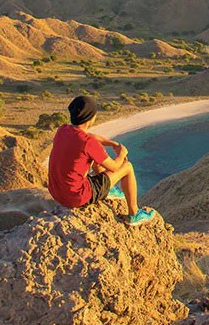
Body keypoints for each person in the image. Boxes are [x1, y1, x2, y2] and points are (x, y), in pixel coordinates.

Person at [47, 95, 157, 226]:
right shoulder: (88, 143)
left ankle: (107, 189)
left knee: (90, 158)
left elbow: (90, 136)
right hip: (76, 197)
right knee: (127, 167)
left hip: (57, 192)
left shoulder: (63, 130)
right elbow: (115, 167)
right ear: (91, 118)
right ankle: (134, 214)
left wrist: (112, 144)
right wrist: (122, 153)